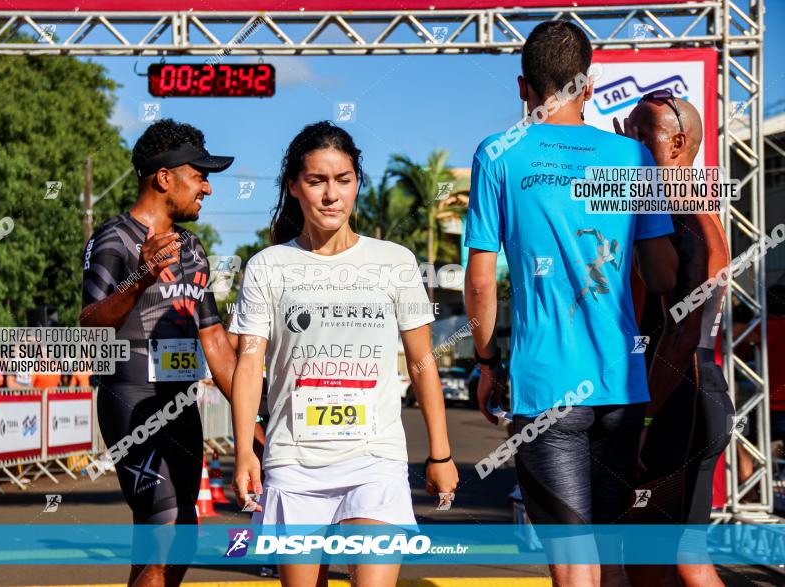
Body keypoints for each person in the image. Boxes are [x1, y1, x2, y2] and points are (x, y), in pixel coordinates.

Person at [464, 21, 677, 587]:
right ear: (589, 84)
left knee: (570, 560)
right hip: (621, 384)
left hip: (547, 385)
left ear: (522, 87)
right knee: (610, 553)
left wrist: (486, 365)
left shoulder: (499, 154)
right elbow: (662, 274)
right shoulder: (631, 157)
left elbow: (481, 284)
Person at [229, 121, 459, 587]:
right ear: (294, 186)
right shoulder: (267, 267)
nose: (331, 195)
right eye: (316, 181)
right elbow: (249, 363)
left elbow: (421, 362)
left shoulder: (394, 262)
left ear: (357, 184)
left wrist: (441, 453)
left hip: (375, 459)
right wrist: (242, 454)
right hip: (293, 462)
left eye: (343, 180)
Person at [80, 118, 243, 587]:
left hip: (180, 403)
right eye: (200, 175)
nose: (208, 189)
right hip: (131, 398)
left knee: (181, 532)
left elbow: (213, 339)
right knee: (164, 523)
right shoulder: (113, 238)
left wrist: (253, 417)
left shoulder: (193, 249)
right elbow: (90, 322)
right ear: (164, 177)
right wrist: (143, 276)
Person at [616, 91, 734, 587]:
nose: (631, 147)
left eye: (642, 136)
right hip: (695, 393)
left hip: (678, 400)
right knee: (689, 558)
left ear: (678, 143)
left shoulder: (684, 216)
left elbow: (683, 334)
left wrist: (643, 417)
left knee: (645, 565)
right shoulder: (674, 211)